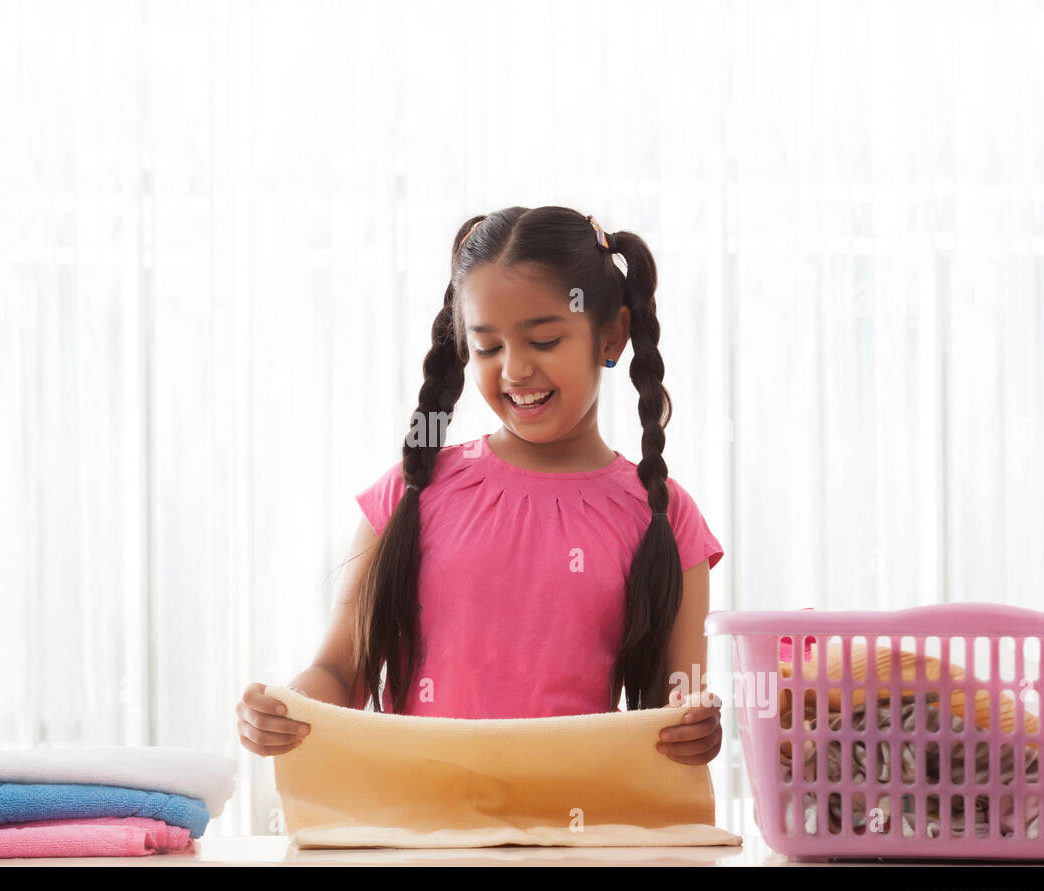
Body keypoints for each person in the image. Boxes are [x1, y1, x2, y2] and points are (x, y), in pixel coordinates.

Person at [238, 206, 724, 767]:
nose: (514, 371)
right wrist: (287, 707)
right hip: (420, 836)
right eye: (489, 348)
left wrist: (696, 728)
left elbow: (678, 702)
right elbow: (338, 671)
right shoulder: (410, 492)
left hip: (577, 838)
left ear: (611, 335)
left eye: (543, 341)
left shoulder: (664, 514)